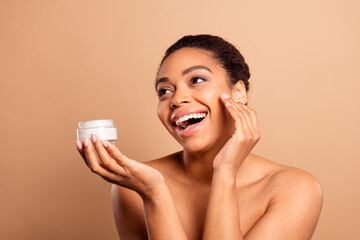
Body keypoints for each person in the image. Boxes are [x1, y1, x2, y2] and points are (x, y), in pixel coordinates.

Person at [75, 34, 323, 240]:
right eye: (164, 91)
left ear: (238, 92)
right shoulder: (133, 188)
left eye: (196, 80)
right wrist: (154, 194)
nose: (176, 99)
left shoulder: (294, 189)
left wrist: (224, 174)